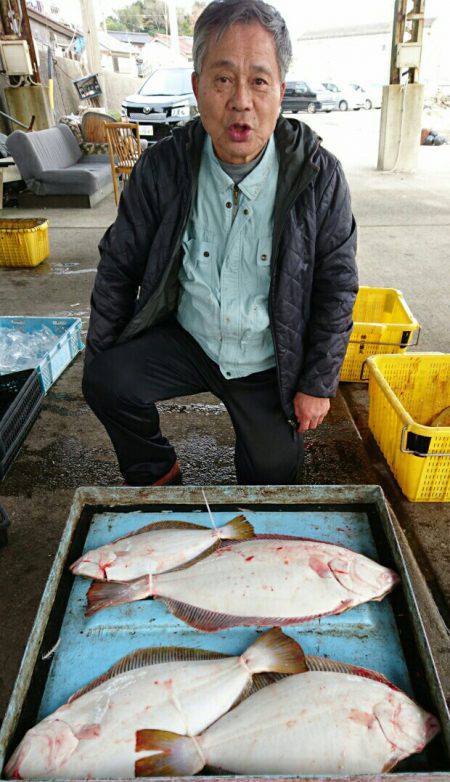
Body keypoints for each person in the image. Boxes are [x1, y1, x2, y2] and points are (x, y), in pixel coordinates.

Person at [83, 0, 358, 487]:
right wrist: (104, 356)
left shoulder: (319, 176)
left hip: (267, 358)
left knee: (275, 479)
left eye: (258, 81)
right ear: (197, 87)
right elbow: (119, 265)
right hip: (190, 338)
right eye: (223, 78)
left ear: (280, 92)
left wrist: (317, 382)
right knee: (105, 380)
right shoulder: (164, 167)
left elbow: (337, 286)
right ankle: (158, 474)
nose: (241, 102)